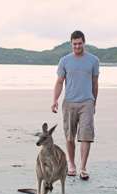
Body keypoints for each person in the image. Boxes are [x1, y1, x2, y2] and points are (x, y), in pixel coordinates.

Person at [51, 30, 100, 180]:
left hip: (87, 102)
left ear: (84, 43)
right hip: (69, 102)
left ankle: (83, 167)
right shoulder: (64, 60)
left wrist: (94, 102)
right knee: (70, 136)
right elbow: (59, 82)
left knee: (86, 136)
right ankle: (71, 165)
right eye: (74, 44)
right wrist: (55, 100)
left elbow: (95, 83)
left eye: (80, 44)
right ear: (71, 44)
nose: (77, 46)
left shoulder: (93, 60)